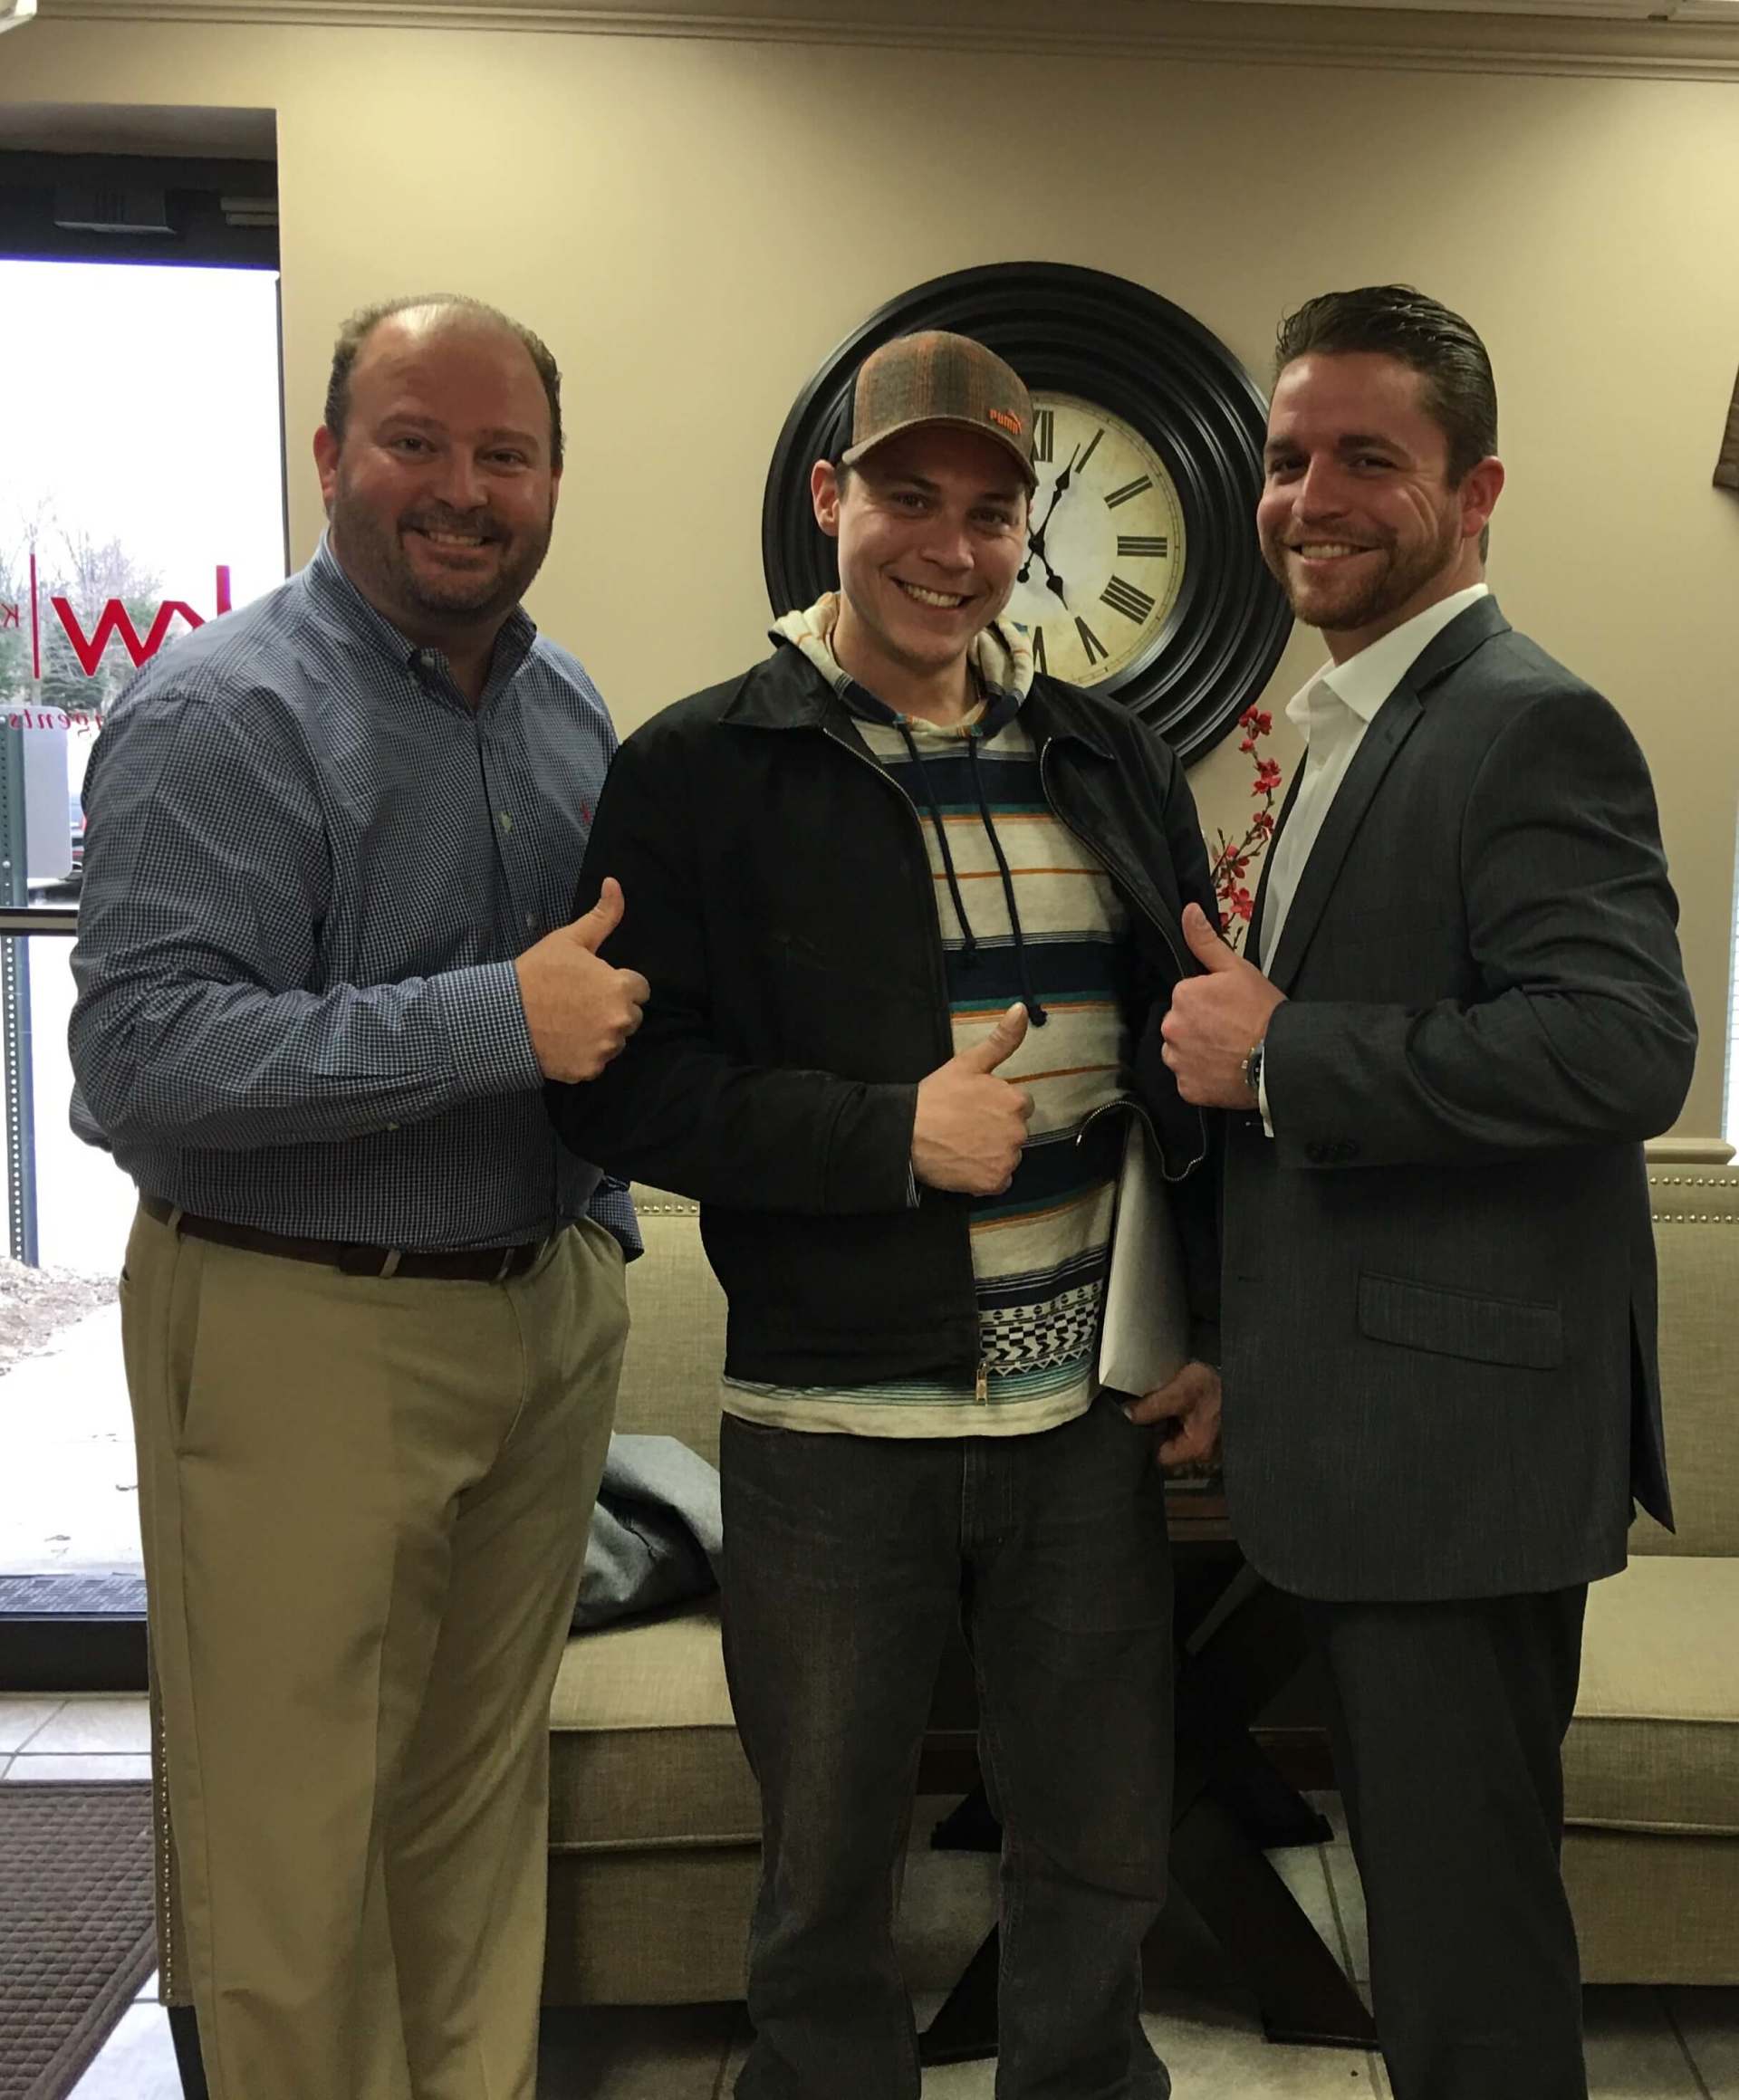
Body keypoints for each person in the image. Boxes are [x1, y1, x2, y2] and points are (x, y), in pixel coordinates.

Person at [547, 329, 1220, 2100]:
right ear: (833, 501)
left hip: (1081, 1416)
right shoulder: (703, 765)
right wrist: (886, 1133)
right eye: (909, 498)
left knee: (1097, 1845)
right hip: (834, 1425)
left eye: (994, 512)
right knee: (829, 1869)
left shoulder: (1108, 755)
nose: (953, 545)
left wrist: (1205, 1319)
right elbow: (614, 1082)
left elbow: (1175, 1060)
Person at [68, 293, 649, 2100]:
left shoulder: (569, 709)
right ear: (333, 455)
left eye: (507, 451)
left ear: (554, 475)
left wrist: (597, 1236)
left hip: (535, 1318)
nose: (464, 488)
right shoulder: (219, 709)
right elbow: (141, 1060)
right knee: (293, 1857)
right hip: (297, 1319)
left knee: (474, 1824)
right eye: (417, 439)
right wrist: (501, 1019)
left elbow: (609, 1009)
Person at [1151, 283, 1697, 2100]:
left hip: (1458, 1450)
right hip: (1373, 1424)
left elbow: (1625, 1048)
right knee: (1431, 1914)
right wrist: (1240, 1338)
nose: (1312, 495)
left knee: (1463, 1945)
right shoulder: (1349, 719)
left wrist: (1289, 1053)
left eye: (1367, 458)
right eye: (1290, 457)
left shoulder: (1526, 720)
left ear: (1475, 492)